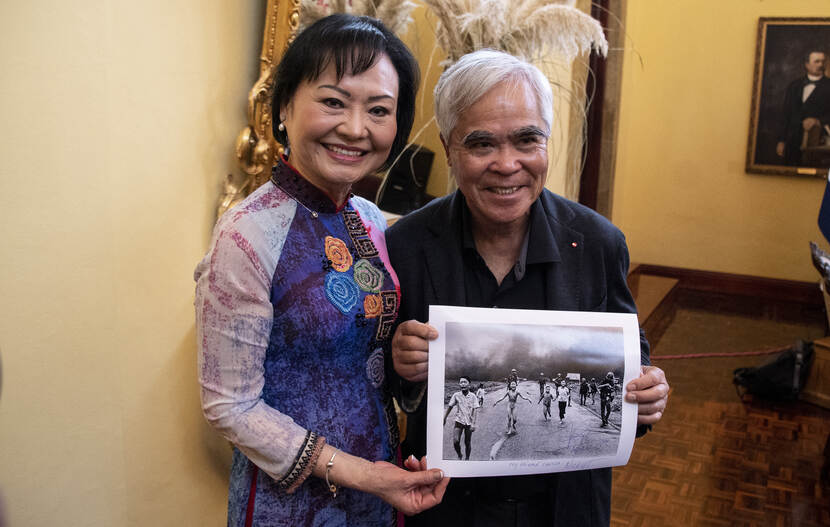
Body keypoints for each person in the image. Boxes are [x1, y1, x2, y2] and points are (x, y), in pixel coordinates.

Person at [387, 49, 669, 526]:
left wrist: (648, 395)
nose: (507, 164)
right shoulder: (406, 245)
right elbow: (378, 385)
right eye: (481, 144)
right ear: (448, 147)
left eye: (526, 140)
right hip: (445, 509)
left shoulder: (599, 243)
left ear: (547, 142)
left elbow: (633, 364)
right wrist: (399, 366)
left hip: (567, 509)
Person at [194, 14, 448, 526]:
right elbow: (229, 406)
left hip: (381, 484)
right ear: (284, 107)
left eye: (379, 110)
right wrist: (363, 473)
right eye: (333, 101)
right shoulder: (245, 235)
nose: (356, 129)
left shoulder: (372, 220)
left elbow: (366, 353)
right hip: (288, 503)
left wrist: (407, 359)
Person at [776, 50, 830, 166]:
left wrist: (818, 121)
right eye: (817, 61)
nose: (821, 65)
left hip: (817, 144)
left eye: (823, 61)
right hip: (792, 142)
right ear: (807, 64)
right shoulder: (794, 86)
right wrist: (781, 140)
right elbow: (786, 115)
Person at [444, 377, 479, 460]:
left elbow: (475, 410)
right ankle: (460, 454)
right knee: (455, 441)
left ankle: (467, 458)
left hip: (469, 423)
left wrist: (473, 424)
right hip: (458, 421)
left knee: (467, 442)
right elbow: (450, 407)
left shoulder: (473, 396)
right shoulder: (456, 395)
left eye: (465, 382)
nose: (462, 384)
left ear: (469, 384)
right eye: (461, 382)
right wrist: (444, 418)